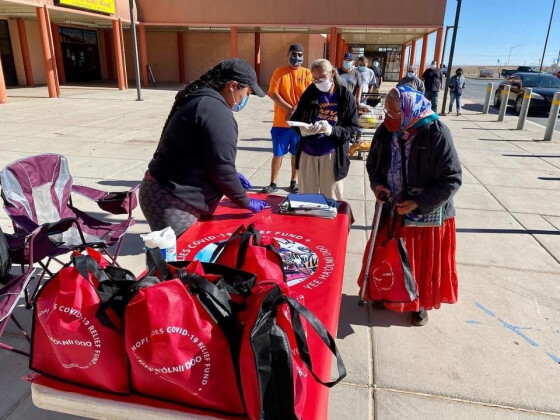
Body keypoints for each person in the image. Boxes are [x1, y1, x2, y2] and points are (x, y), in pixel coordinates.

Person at [366, 85, 462, 326]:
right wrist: (378, 186)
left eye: (394, 113)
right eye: (386, 113)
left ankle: (418, 303)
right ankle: (385, 293)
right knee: (386, 256)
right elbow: (373, 164)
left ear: (409, 110)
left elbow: (452, 179)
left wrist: (418, 203)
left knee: (417, 264)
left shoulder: (436, 133)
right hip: (392, 208)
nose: (389, 118)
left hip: (423, 214)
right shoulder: (387, 131)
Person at [139, 58, 268, 236]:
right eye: (247, 93)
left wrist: (231, 176)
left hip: (165, 191)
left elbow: (204, 155)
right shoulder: (216, 112)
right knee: (179, 260)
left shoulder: (204, 100)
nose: (246, 98)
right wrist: (244, 200)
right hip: (172, 200)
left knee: (171, 255)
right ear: (233, 86)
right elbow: (222, 170)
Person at [290, 59, 360, 200]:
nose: (317, 81)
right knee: (307, 200)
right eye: (314, 78)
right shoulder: (310, 93)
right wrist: (302, 129)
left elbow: (353, 130)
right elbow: (296, 118)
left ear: (332, 73)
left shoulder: (345, 97)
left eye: (321, 77)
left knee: (332, 199)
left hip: (332, 155)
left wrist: (332, 130)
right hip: (308, 152)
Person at [261, 44, 312, 194]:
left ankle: (293, 182)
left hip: (299, 124)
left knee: (296, 154)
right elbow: (273, 94)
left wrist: (296, 109)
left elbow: (309, 96)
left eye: (300, 54)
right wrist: (290, 109)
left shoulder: (307, 74)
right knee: (278, 154)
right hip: (280, 123)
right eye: (294, 54)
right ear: (288, 55)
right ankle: (273, 183)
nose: (297, 57)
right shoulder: (279, 72)